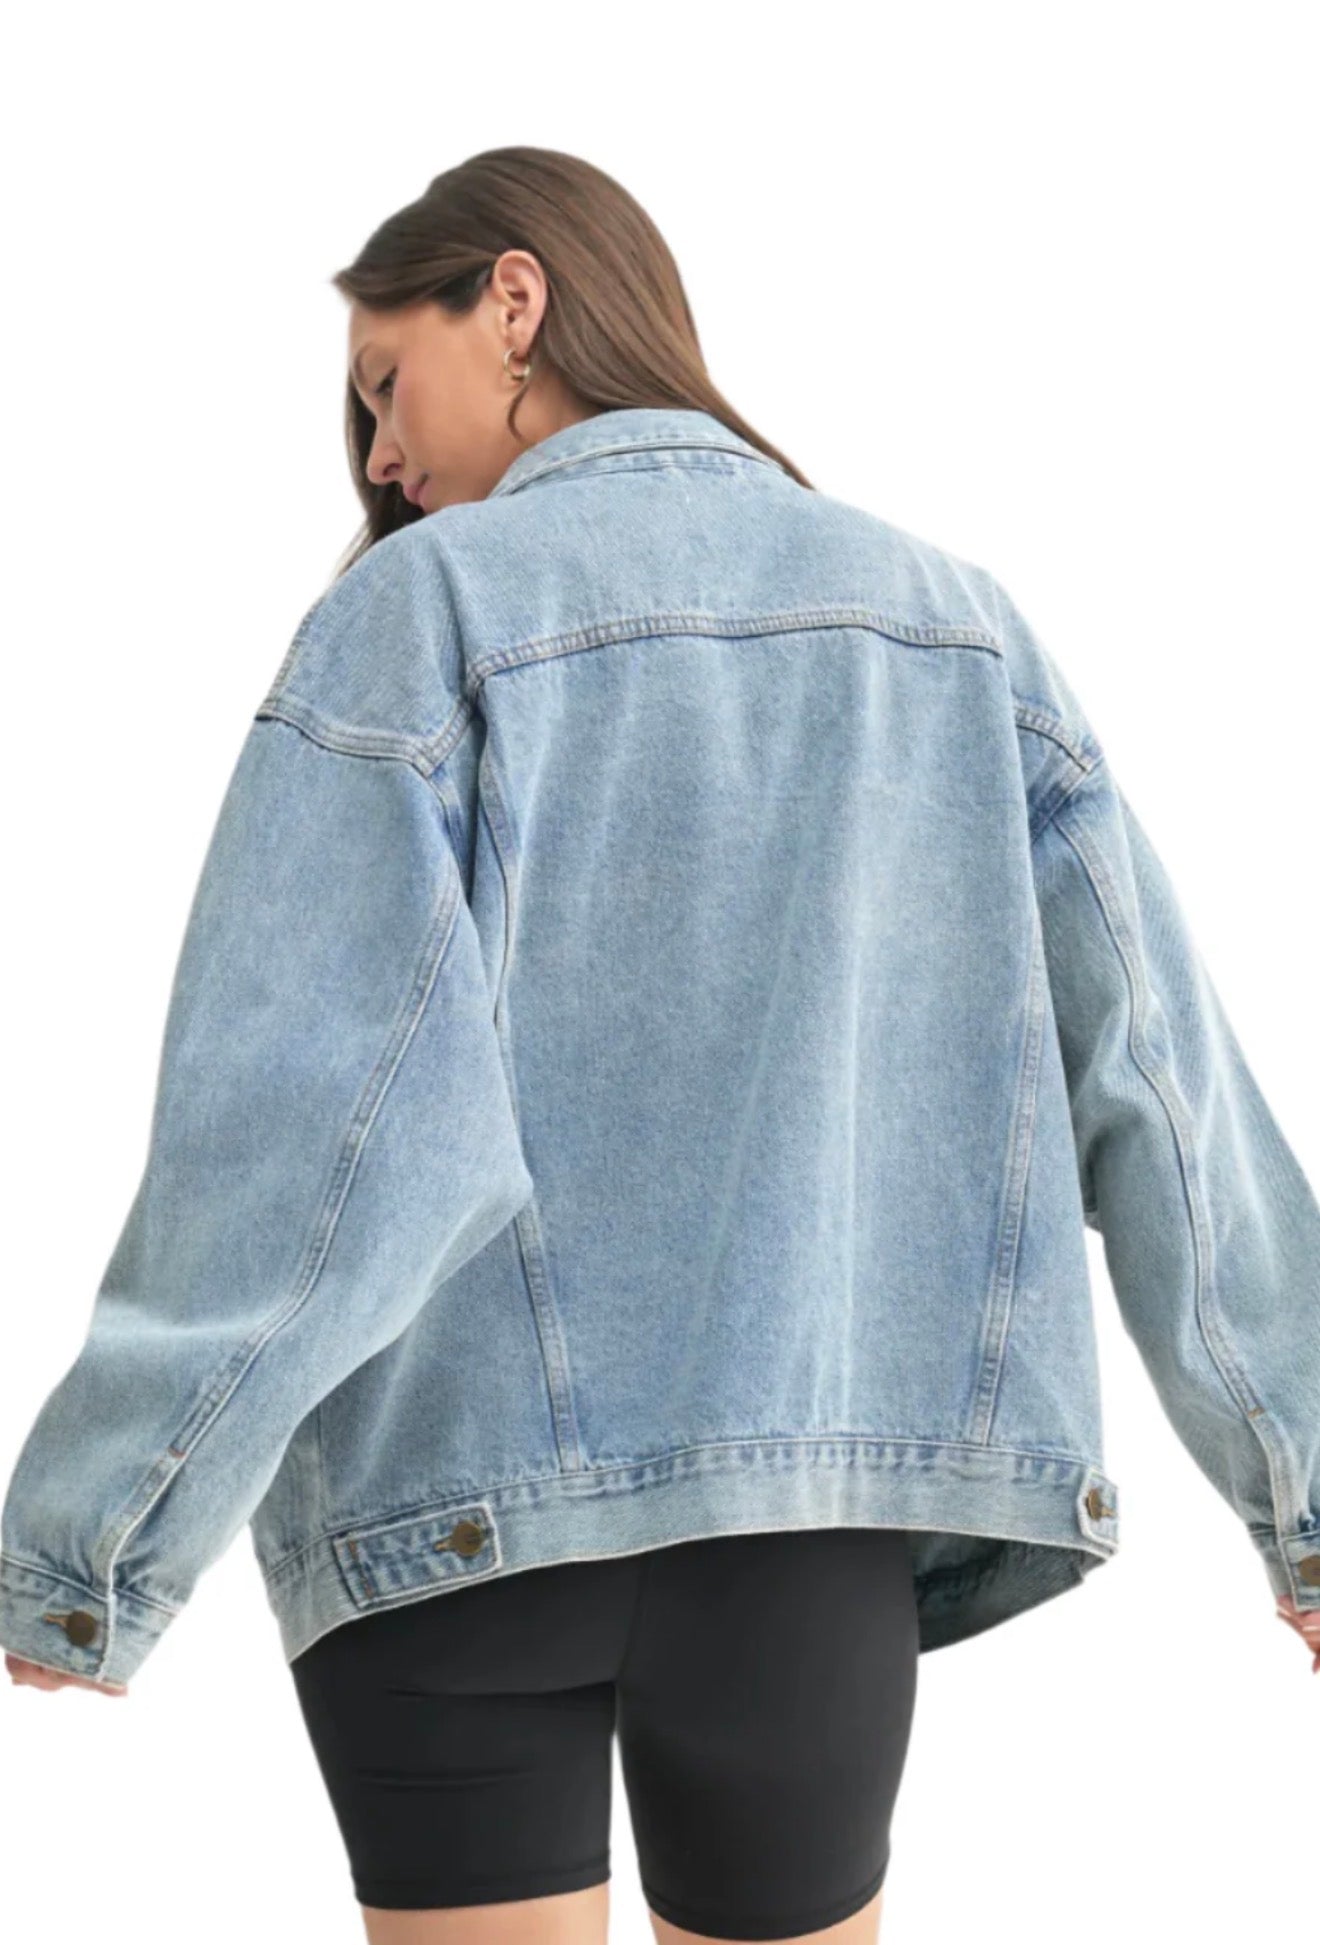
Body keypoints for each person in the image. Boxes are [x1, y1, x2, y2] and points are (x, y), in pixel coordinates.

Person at [4, 146, 1318, 1945]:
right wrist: (1301, 1484)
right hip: (806, 1535)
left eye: (385, 382)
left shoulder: (417, 617)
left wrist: (98, 1532)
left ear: (515, 300)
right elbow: (1161, 1090)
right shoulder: (952, 626)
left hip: (450, 1531)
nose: (378, 456)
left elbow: (321, 1133)